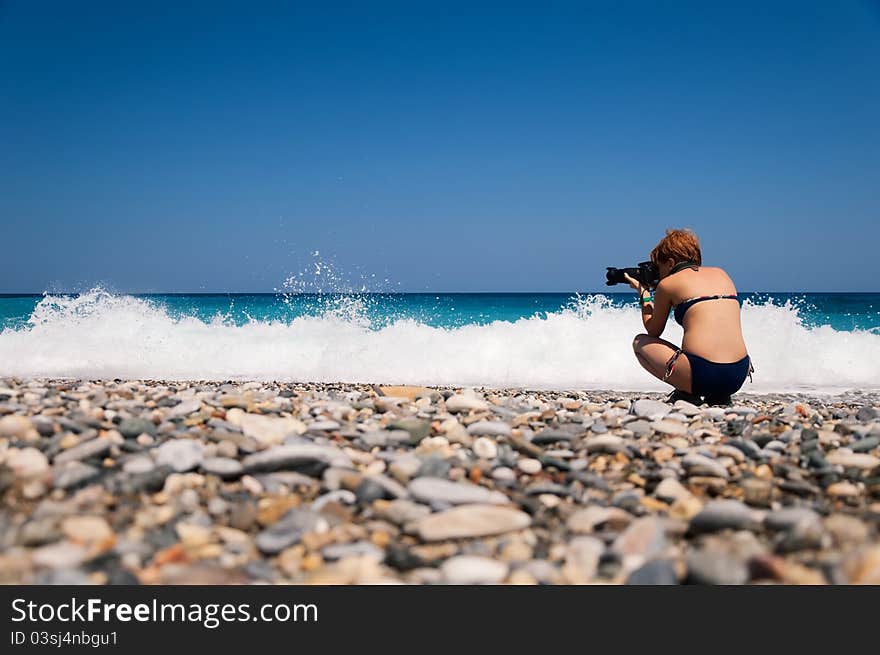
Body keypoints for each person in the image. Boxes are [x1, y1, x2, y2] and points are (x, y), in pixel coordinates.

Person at [624, 228, 753, 405]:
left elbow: (653, 331)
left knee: (640, 342)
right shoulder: (722, 274)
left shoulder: (668, 284)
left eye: (659, 267)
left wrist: (644, 294)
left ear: (670, 263)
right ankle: (719, 396)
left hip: (702, 374)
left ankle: (687, 392)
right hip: (738, 375)